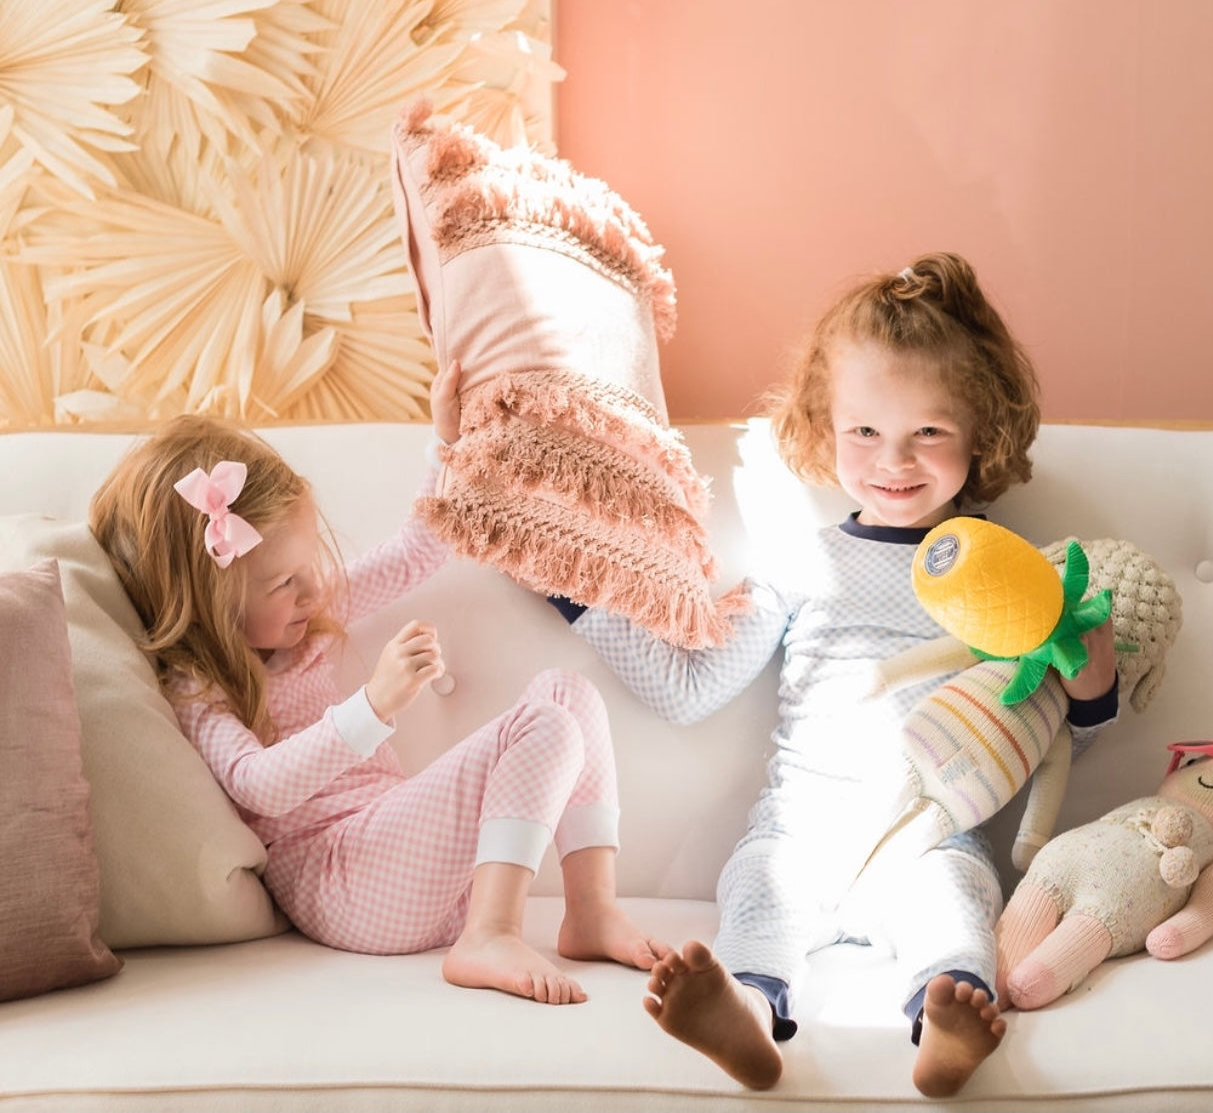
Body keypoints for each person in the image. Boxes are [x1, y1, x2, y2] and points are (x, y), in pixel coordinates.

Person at [548, 253, 1119, 1092]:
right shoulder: (800, 565)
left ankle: (944, 1020)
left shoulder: (1014, 578)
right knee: (758, 886)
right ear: (825, 426)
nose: (894, 460)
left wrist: (1087, 656)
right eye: (863, 432)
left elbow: (1078, 728)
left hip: (929, 835)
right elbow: (689, 685)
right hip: (803, 826)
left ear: (980, 433)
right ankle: (745, 1007)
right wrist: (569, 586)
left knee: (958, 903)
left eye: (928, 431)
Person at [88, 362, 666, 1005]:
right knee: (544, 726)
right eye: (283, 583)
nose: (312, 590)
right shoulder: (201, 688)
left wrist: (447, 445)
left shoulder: (306, 619)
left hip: (410, 865)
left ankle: (590, 910)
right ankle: (491, 933)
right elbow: (261, 787)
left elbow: (417, 551)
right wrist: (373, 705)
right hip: (342, 880)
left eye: (308, 565)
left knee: (567, 694)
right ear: (211, 603)